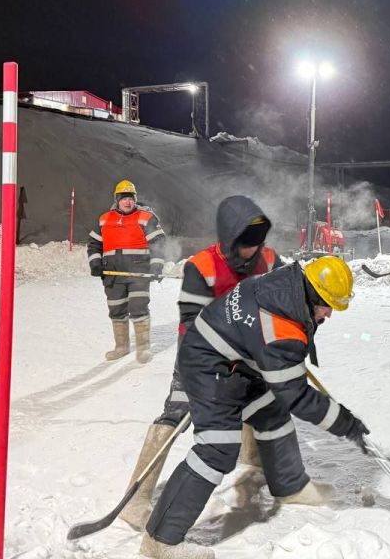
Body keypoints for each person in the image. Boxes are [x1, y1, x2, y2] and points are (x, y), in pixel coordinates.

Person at [140, 256, 368, 559]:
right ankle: (161, 540)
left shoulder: (282, 285)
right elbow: (297, 396)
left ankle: (291, 486)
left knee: (271, 411)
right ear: (311, 293)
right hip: (208, 368)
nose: (329, 314)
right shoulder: (282, 329)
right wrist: (345, 422)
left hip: (234, 359)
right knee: (216, 450)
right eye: (327, 305)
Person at [121, 195, 303, 530]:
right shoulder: (202, 266)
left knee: (263, 396)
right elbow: (192, 323)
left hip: (248, 352)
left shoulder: (269, 259)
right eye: (247, 243)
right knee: (177, 411)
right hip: (199, 356)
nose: (255, 250)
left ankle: (253, 462)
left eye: (258, 242)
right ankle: (137, 499)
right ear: (230, 239)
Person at [87, 180, 168, 363]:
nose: (128, 202)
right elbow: (94, 245)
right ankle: (121, 347)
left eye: (130, 198)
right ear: (117, 200)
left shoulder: (145, 217)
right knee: (116, 309)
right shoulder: (104, 219)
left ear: (135, 199)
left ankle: (143, 349)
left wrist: (156, 265)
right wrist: (96, 264)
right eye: (124, 198)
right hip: (112, 274)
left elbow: (158, 242)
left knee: (138, 306)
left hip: (138, 272)